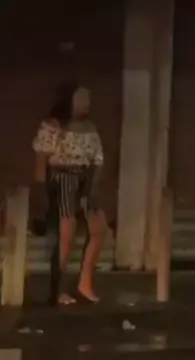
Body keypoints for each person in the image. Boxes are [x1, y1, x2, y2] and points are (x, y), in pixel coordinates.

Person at [32, 81, 108, 306]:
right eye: (81, 98)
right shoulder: (53, 125)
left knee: (99, 228)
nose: (86, 103)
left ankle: (85, 282)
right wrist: (41, 194)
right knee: (67, 231)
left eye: (88, 98)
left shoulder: (90, 127)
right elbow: (42, 161)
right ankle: (58, 289)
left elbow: (98, 158)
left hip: (86, 179)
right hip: (62, 178)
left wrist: (94, 185)